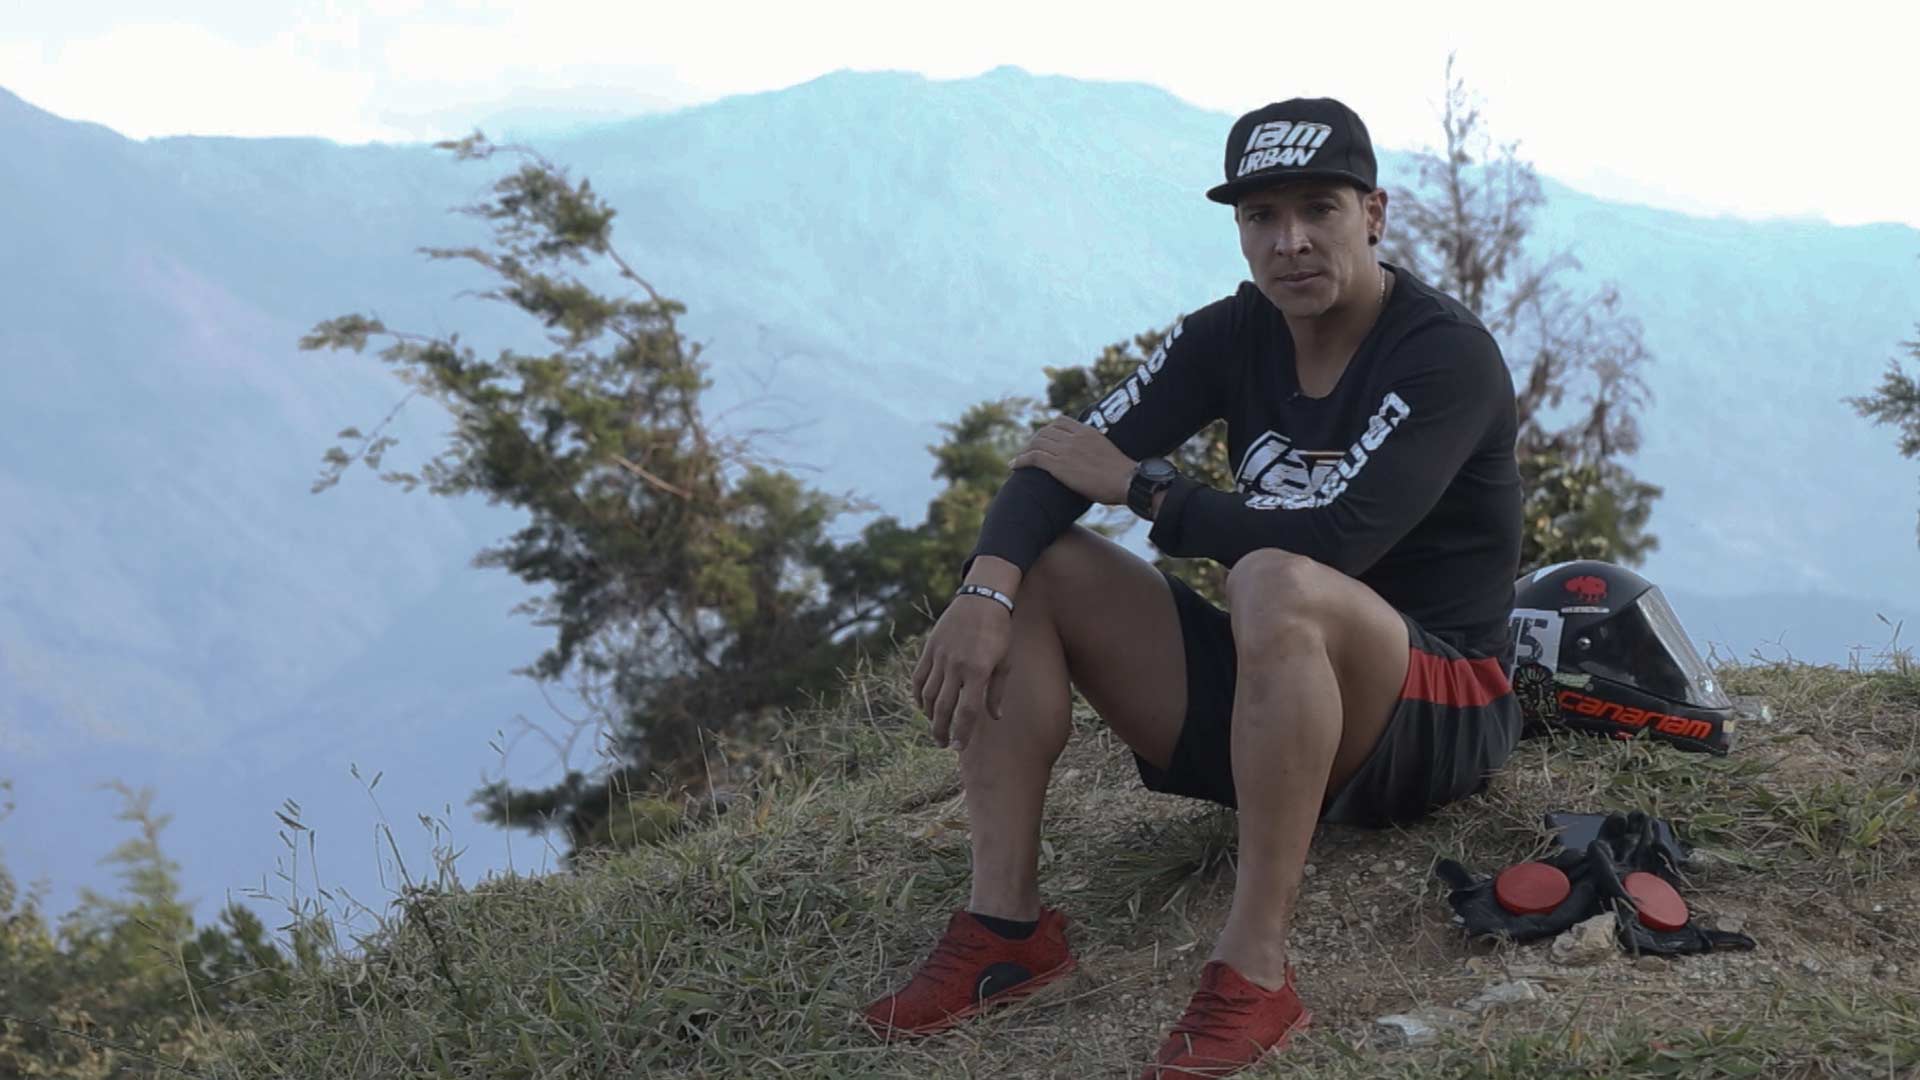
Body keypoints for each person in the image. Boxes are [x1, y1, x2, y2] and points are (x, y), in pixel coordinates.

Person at [862, 96, 1526, 1079]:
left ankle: (1253, 970)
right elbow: (1061, 458)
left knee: (1275, 578)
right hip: (1285, 697)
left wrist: (1148, 491)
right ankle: (1004, 932)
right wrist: (985, 589)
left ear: (1374, 214)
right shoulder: (1231, 334)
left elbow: (1341, 538)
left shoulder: (1443, 355)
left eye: (1319, 209)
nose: (1290, 242)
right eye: (1262, 217)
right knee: (1046, 565)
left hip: (1437, 709)